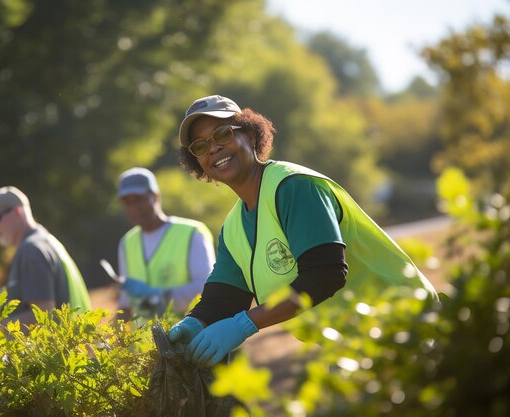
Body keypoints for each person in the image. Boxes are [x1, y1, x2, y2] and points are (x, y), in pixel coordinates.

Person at [168, 95, 439, 367]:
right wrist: (193, 323)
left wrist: (243, 325)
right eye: (200, 146)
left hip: (407, 325)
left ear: (250, 135)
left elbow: (324, 274)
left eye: (222, 133)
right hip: (356, 345)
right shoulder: (234, 227)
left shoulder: (294, 186)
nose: (213, 148)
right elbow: (223, 299)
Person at [0, 186, 91, 324]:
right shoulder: (46, 241)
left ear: (17, 211)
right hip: (78, 342)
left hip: (65, 345)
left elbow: (43, 317)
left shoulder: (31, 251)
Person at [116, 167, 216, 317]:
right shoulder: (127, 243)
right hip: (145, 340)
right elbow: (126, 304)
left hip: (190, 336)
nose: (134, 207)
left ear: (155, 196)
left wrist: (160, 296)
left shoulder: (191, 233)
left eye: (138, 199)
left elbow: (207, 289)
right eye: (127, 202)